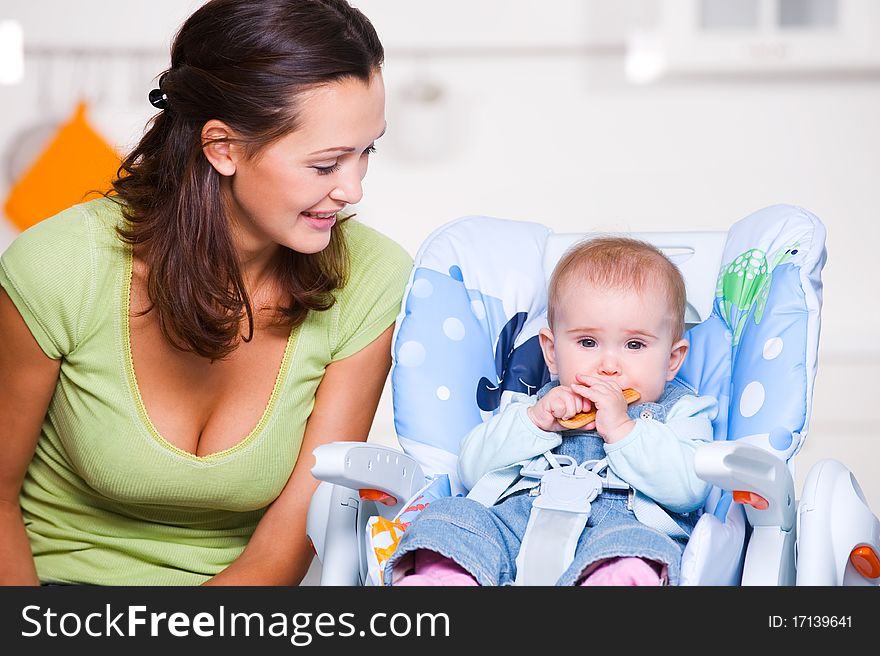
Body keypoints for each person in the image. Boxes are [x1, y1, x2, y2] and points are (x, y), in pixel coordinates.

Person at [0, 0, 412, 586]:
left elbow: (285, 545)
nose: (353, 189)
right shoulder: (59, 268)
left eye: (366, 152)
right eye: (326, 165)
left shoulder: (372, 279)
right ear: (222, 148)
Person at [384, 237, 718, 586]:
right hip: (515, 525)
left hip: (621, 529)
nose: (608, 365)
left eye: (634, 345)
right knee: (450, 516)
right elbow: (471, 469)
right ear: (552, 352)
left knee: (642, 549)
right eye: (587, 342)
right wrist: (536, 422)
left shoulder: (683, 411)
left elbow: (688, 489)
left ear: (672, 360)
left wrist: (622, 428)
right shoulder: (534, 405)